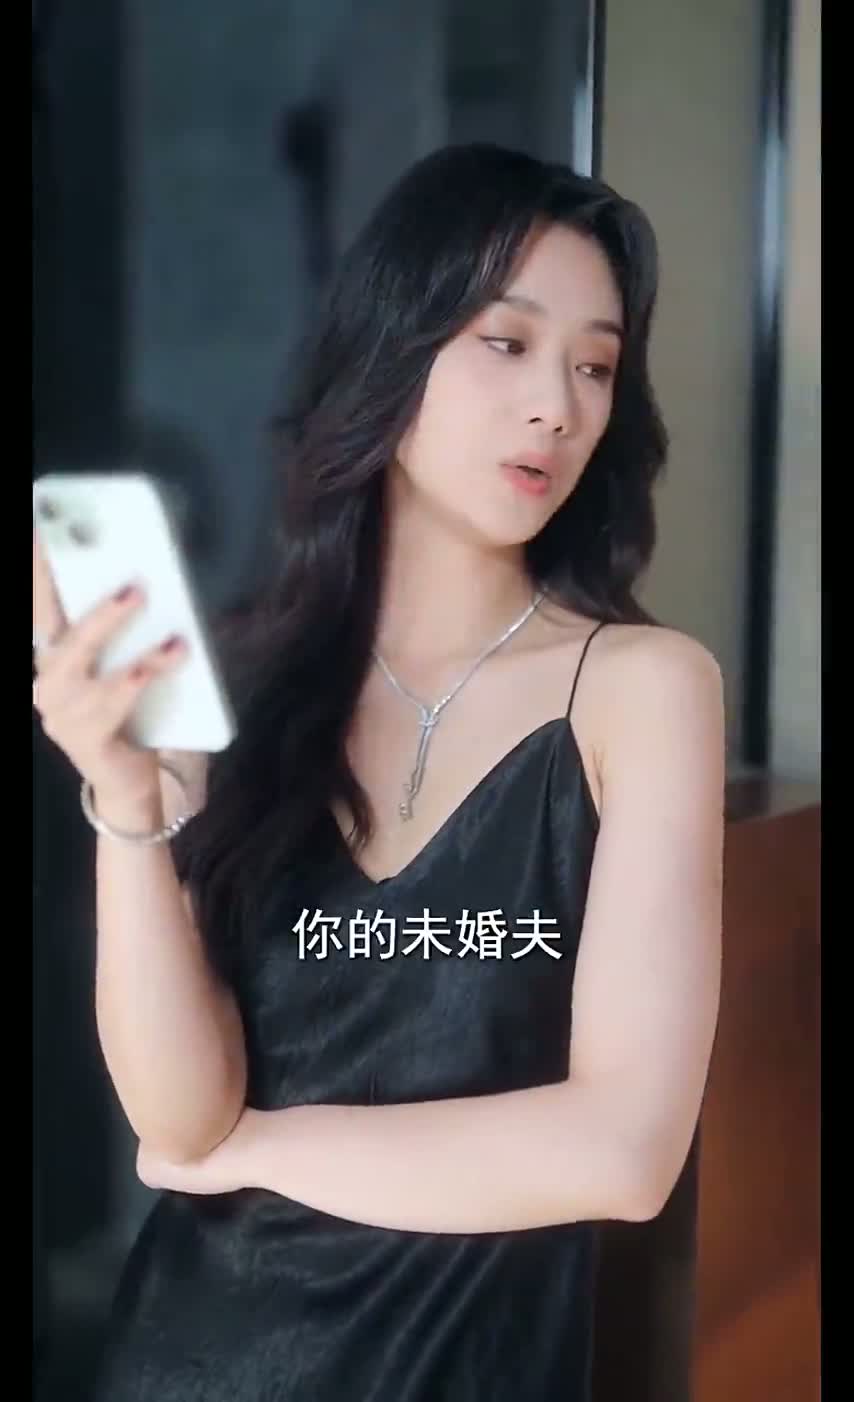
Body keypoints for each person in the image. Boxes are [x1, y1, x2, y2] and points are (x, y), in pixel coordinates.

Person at [32, 143, 725, 1401]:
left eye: (593, 365)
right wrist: (126, 810)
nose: (555, 406)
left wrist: (259, 1148)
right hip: (195, 1361)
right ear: (392, 350)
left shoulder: (641, 688)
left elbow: (623, 1152)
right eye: (505, 343)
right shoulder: (239, 682)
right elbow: (178, 1117)